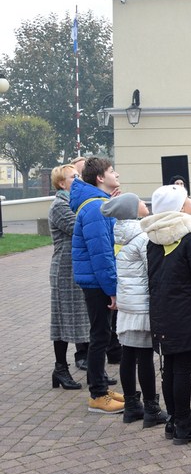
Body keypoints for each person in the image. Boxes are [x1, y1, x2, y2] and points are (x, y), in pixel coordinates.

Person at [142, 185, 191, 445]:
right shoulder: (190, 234)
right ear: (178, 205)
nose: (190, 200)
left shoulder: (152, 236)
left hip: (161, 309)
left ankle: (174, 421)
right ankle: (184, 426)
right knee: (182, 368)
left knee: (169, 367)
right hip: (184, 308)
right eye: (186, 198)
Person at [101, 193, 169, 427]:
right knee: (145, 357)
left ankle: (131, 406)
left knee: (128, 355)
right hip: (142, 305)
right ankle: (151, 408)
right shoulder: (141, 237)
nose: (145, 204)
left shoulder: (119, 233)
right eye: (140, 202)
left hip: (127, 303)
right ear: (132, 210)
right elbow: (152, 269)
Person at [70, 156, 124, 414]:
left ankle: (100, 386)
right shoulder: (95, 208)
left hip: (97, 280)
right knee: (99, 336)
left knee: (101, 335)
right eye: (112, 171)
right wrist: (112, 289)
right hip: (96, 282)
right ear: (100, 178)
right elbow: (101, 254)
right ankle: (97, 394)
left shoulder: (100, 203)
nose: (116, 174)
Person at [48, 164, 90, 390]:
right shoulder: (59, 205)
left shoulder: (74, 202)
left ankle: (93, 369)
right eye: (74, 177)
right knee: (63, 320)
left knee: (83, 319)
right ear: (62, 184)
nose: (79, 179)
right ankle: (60, 368)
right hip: (64, 271)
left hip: (77, 268)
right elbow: (79, 227)